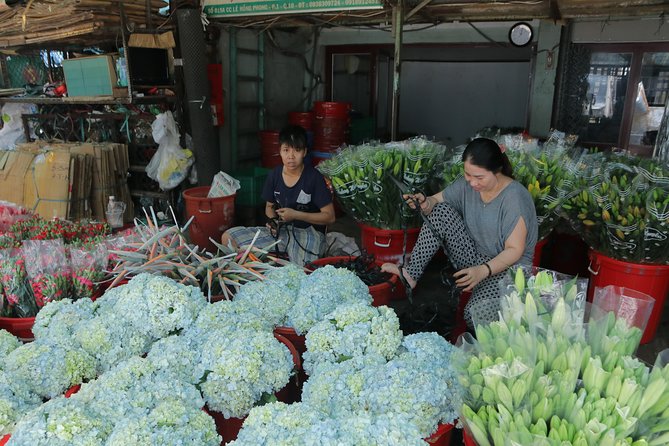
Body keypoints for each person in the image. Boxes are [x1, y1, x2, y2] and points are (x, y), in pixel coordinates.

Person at [381, 137, 538, 327]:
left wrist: (483, 271)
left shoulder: (515, 198)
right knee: (440, 211)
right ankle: (411, 275)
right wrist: (424, 202)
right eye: (468, 174)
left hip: (508, 271)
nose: (472, 183)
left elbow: (514, 250)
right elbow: (435, 202)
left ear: (497, 170)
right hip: (475, 258)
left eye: (479, 177)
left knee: (475, 315)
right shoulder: (467, 186)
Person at [222, 125, 336, 266]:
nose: (291, 156)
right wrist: (273, 222)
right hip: (281, 232)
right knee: (228, 237)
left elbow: (330, 217)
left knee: (301, 270)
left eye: (297, 150)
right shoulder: (274, 175)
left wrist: (296, 215)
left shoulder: (314, 178)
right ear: (280, 152)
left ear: (305, 152)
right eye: (286, 150)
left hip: (308, 232)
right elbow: (269, 207)